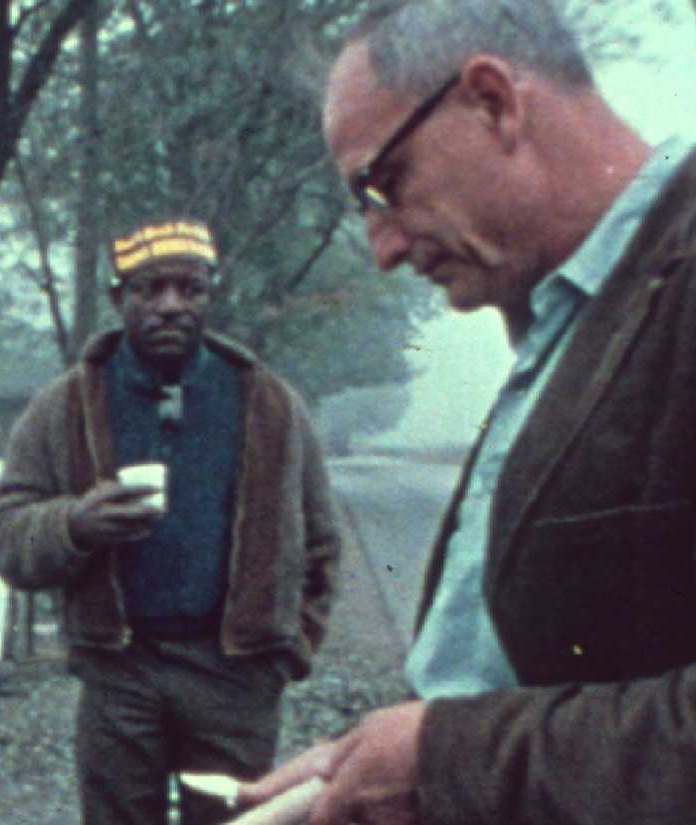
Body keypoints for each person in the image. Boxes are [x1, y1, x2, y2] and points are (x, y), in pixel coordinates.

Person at [237, 1, 696, 823]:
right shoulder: (566, 317)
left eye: (384, 186)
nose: (381, 250)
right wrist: (362, 766)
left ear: (492, 100)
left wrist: (446, 759)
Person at [0, 216, 350, 825]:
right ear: (117, 299)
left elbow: (320, 543)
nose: (171, 306)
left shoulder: (268, 403)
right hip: (121, 671)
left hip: (234, 675)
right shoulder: (68, 406)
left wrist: (288, 652)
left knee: (236, 821)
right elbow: (3, 536)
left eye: (190, 289)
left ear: (210, 297)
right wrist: (73, 525)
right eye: (148, 290)